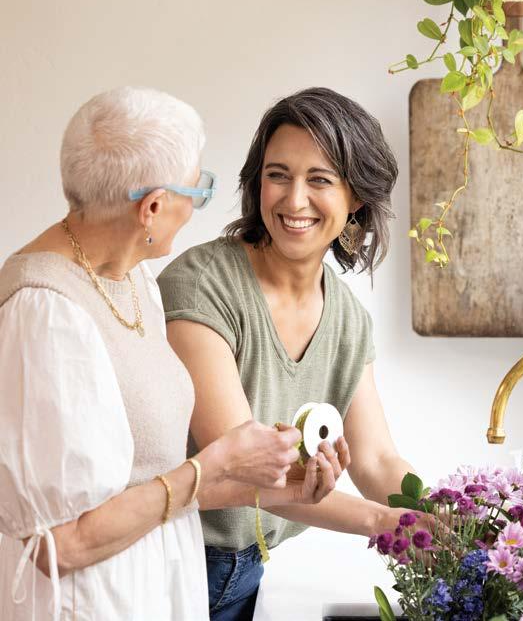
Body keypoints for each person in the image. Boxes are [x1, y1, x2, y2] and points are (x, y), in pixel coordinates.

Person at [0, 87, 344, 621]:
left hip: (155, 593)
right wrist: (216, 463)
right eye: (198, 189)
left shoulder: (135, 280)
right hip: (92, 606)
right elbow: (58, 547)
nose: (196, 207)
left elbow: (155, 483)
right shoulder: (45, 314)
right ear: (154, 207)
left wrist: (287, 489)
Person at [159, 87, 422, 620]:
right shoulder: (202, 286)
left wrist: (453, 519)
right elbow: (243, 471)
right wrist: (382, 522)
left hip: (248, 570)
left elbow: (376, 460)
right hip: (170, 565)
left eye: (319, 180)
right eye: (278, 175)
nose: (294, 200)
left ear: (356, 198)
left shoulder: (347, 318)